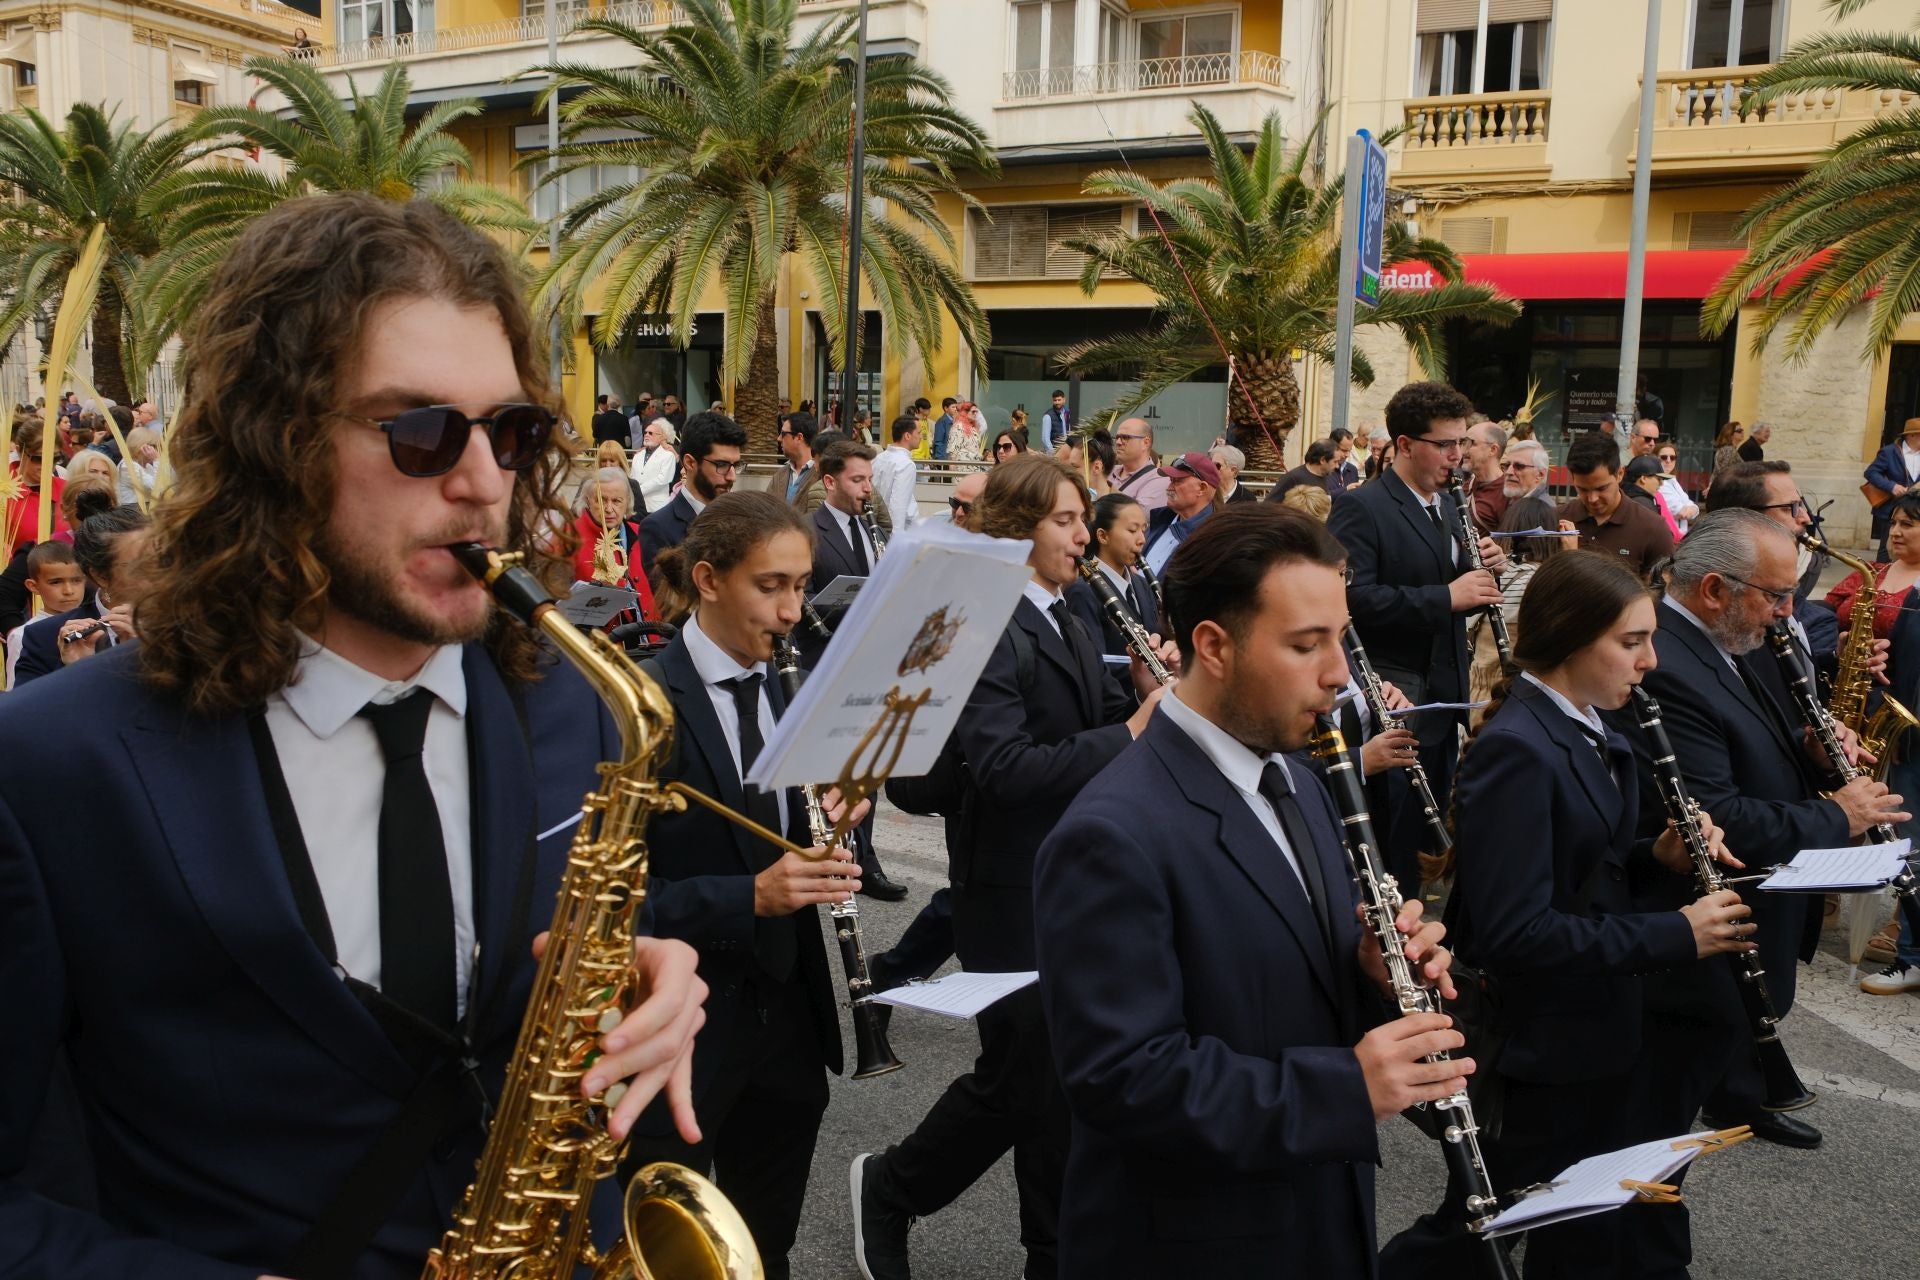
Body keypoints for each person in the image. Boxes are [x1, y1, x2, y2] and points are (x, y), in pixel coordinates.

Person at [0, 193, 706, 1274]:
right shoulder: (50, 762)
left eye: (512, 432)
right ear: (271, 442)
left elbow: (559, 959)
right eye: (421, 432)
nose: (483, 484)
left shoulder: (573, 704)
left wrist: (652, 981)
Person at [1040, 504, 1462, 1278]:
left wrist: (1372, 975)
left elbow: (1289, 984)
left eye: (1341, 637)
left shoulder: (1298, 781)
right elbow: (1123, 1080)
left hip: (1314, 1218)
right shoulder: (1112, 832)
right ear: (1214, 646)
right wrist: (1347, 1088)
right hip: (1196, 1246)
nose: (1339, 673)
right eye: (1307, 644)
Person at [1383, 550, 1749, 1280]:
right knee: (1478, 1227)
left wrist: (1660, 857)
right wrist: (1679, 933)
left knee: (1566, 1219)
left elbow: (1585, 868)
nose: (1649, 662)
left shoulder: (1584, 723)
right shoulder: (1522, 749)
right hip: (1538, 1045)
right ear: (1574, 638)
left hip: (1586, 1030)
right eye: (1631, 642)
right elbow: (1518, 930)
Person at [852, 454, 1171, 1280]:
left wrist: (1137, 693)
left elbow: (1086, 718)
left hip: (1072, 873)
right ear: (1016, 527)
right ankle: (896, 1189)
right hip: (1006, 885)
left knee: (1045, 1080)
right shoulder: (986, 622)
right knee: (1032, 1075)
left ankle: (996, 1231)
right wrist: (1130, 731)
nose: (1081, 535)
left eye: (1079, 521)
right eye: (1064, 521)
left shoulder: (1069, 609)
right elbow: (1005, 768)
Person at [619, 490, 863, 1279]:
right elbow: (604, 903)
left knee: (765, 1249)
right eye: (772, 586)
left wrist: (839, 812)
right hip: (679, 1037)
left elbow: (799, 834)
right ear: (710, 579)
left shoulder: (797, 686)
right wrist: (746, 896)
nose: (794, 610)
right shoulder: (640, 704)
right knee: (667, 1255)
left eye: (801, 585)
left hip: (787, 1018)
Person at [1634, 510, 1906, 1156]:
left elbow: (1744, 742)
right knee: (1653, 1129)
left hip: (1747, 923)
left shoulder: (1725, 642)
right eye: (1777, 596)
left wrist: (1808, 748)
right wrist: (1841, 814)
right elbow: (1717, 810)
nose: (1788, 612)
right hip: (1704, 944)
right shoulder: (1671, 662)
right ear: (1715, 590)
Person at [1328, 381, 1508, 893]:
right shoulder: (1363, 507)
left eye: (1463, 444)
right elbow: (1353, 600)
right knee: (1396, 831)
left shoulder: (1448, 505)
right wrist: (1446, 597)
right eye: (1446, 445)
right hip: (1395, 691)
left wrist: (1482, 564)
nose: (1459, 457)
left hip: (1443, 689)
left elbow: (1447, 573)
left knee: (1424, 829)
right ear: (1405, 445)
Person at [1826, 491, 1920, 994]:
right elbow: (1829, 616)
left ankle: (1909, 944)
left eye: (1910, 524)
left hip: (1908, 721)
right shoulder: (1874, 574)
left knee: (1910, 831)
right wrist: (1847, 643)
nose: (1897, 532)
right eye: (1894, 523)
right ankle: (1827, 896)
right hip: (1865, 712)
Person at [12, 500, 150, 686]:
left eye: (164, 559)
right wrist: (77, 670)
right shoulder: (44, 636)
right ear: (100, 576)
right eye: (142, 565)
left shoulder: (186, 624)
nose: (160, 572)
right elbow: (24, 712)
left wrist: (148, 659)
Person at [1063, 492, 1159, 699]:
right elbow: (1096, 663)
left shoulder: (1141, 584)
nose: (1142, 540)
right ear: (1103, 536)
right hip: (1119, 702)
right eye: (1132, 530)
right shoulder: (1083, 590)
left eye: (1143, 530)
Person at [639, 410, 747, 578]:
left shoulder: (743, 520)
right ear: (690, 463)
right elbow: (672, 600)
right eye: (721, 464)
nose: (732, 476)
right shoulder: (658, 528)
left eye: (736, 465)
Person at [1556, 433, 1675, 579]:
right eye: (1583, 489)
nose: (1592, 498)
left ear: (1620, 474)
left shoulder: (1653, 529)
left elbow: (1662, 592)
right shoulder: (1556, 519)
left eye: (1601, 488)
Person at [568, 466, 656, 621]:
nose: (609, 509)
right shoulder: (569, 536)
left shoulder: (641, 534)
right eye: (601, 500)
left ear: (627, 501)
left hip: (649, 637)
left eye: (616, 501)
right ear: (588, 501)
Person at [6, 539, 86, 687]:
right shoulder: (22, 635)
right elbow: (16, 695)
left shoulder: (95, 623)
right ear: (33, 586)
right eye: (56, 582)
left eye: (76, 580)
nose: (68, 591)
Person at [1141, 451, 1219, 576]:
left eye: (1177, 481)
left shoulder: (1212, 541)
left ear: (1202, 488)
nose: (1169, 487)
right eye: (1171, 480)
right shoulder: (1160, 520)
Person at [1864, 418, 1920, 560]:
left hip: (1915, 509)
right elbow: (1871, 473)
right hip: (1889, 507)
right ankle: (1881, 578)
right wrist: (1892, 486)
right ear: (1912, 435)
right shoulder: (1889, 452)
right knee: (1886, 548)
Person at [6, 421, 67, 552]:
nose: (47, 465)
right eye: (39, 458)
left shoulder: (66, 489)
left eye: (55, 458)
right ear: (19, 450)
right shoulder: (3, 491)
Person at [870, 414, 922, 532]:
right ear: (907, 436)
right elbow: (898, 505)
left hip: (877, 523)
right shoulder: (906, 465)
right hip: (897, 529)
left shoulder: (878, 458)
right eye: (918, 433)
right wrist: (896, 540)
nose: (921, 437)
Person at [1105, 418, 1168, 511]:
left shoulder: (1159, 478)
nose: (1118, 442)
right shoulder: (1108, 470)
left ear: (1145, 443)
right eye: (1117, 437)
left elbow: (1140, 514)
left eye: (1125, 437)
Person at [1462, 419, 1509, 533]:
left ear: (1492, 450)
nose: (1463, 451)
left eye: (1471, 443)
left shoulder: (1508, 494)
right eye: (1463, 443)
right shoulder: (1464, 487)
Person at [1624, 453, 1682, 541]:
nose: (1661, 483)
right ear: (1643, 478)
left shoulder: (1628, 498)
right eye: (1658, 479)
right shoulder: (1643, 504)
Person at [631, 415, 680, 515]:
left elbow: (663, 479)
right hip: (637, 505)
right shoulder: (638, 455)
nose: (646, 435)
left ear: (662, 437)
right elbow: (632, 476)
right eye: (645, 432)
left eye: (651, 433)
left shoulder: (669, 455)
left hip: (656, 507)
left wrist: (639, 490)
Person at [1267, 438, 1337, 503]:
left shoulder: (1326, 476)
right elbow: (1268, 505)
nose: (1337, 466)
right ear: (1322, 460)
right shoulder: (1293, 477)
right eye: (1335, 462)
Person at [1655, 441, 1699, 537]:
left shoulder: (1672, 480)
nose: (1668, 460)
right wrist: (1692, 509)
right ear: (1655, 459)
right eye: (1664, 457)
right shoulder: (1659, 483)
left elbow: (1693, 507)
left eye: (1672, 457)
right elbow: (1680, 512)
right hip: (1668, 536)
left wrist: (1693, 508)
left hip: (1680, 536)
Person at [776, 411, 819, 503]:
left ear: (799, 437)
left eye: (783, 434)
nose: (778, 438)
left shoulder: (821, 475)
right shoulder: (780, 475)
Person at [118, 424, 162, 507]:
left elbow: (164, 487)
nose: (155, 450)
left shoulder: (147, 464)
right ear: (140, 445)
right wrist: (156, 460)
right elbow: (156, 488)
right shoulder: (127, 466)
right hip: (131, 513)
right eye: (153, 446)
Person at [947, 400, 985, 465]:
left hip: (974, 466)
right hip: (962, 467)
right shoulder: (958, 427)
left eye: (976, 412)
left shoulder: (973, 427)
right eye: (973, 412)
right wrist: (953, 471)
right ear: (965, 412)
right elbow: (953, 451)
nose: (976, 414)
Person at [1328, 426, 1361, 495]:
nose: (1347, 455)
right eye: (1344, 450)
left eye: (1349, 450)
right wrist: (1346, 490)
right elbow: (1319, 498)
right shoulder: (1323, 468)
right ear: (1331, 446)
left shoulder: (1353, 470)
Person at [931, 396, 957, 461]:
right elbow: (938, 442)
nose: (955, 409)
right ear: (946, 408)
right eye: (953, 407)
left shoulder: (953, 420)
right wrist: (941, 459)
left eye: (956, 407)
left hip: (951, 457)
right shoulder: (942, 421)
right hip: (944, 458)